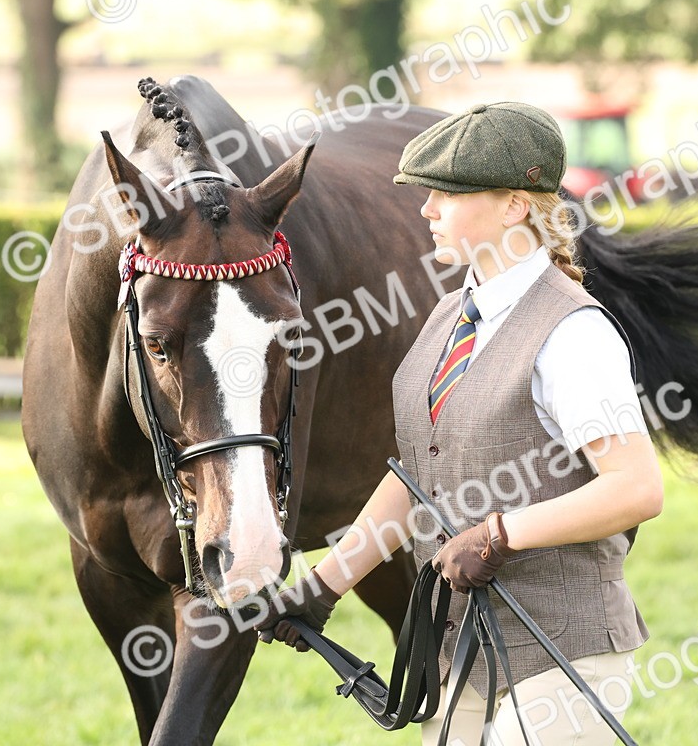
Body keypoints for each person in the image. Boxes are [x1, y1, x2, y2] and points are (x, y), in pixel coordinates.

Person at [256, 101, 664, 745]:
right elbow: (415, 476)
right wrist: (322, 586)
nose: (426, 210)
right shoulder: (447, 317)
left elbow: (636, 488)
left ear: (514, 206)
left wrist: (500, 532)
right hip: (460, 652)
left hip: (563, 652)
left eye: (446, 194)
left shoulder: (574, 334)